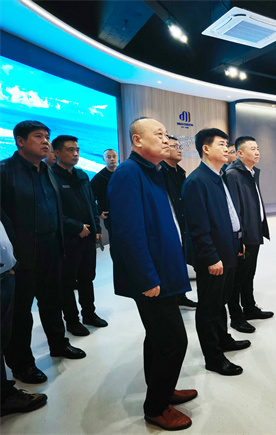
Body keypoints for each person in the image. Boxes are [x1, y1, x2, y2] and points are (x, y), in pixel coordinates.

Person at [108, 118, 196, 431]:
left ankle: (163, 388)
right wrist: (146, 278)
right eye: (158, 134)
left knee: (159, 338)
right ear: (137, 140)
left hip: (165, 270)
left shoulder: (155, 172)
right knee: (173, 341)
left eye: (166, 134)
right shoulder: (128, 173)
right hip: (152, 276)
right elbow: (128, 233)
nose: (165, 139)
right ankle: (156, 408)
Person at [0, 121, 86, 386]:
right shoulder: (5, 172)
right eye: (38, 136)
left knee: (52, 302)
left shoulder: (47, 171)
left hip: (51, 250)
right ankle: (22, 364)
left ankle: (58, 344)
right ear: (20, 141)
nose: (46, 141)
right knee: (21, 313)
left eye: (47, 136)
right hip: (21, 257)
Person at [183, 128, 250, 377]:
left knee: (221, 301)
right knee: (209, 307)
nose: (227, 148)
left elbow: (229, 213)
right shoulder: (196, 181)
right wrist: (211, 257)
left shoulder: (219, 175)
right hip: (213, 256)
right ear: (206, 148)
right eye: (221, 144)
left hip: (229, 249)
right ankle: (213, 357)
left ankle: (223, 339)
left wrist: (239, 240)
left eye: (227, 144)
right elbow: (198, 227)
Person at [50, 135, 108, 337]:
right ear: (57, 153)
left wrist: (97, 229)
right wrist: (76, 226)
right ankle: (72, 321)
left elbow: (92, 204)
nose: (75, 154)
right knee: (67, 282)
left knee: (87, 278)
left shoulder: (82, 175)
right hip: (67, 239)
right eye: (70, 150)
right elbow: (52, 211)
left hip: (88, 237)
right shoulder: (51, 177)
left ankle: (89, 314)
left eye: (77, 150)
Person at [0, 212, 48, 416]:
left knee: (4, 336)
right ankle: (4, 397)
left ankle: (3, 393)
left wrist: (11, 263)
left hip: (6, 273)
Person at [224, 136, 273, 334]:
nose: (257, 151)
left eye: (257, 148)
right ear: (240, 153)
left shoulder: (251, 172)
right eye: (252, 148)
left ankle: (250, 307)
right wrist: (240, 238)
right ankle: (236, 317)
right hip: (243, 236)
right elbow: (234, 210)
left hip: (255, 231)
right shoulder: (233, 174)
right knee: (237, 278)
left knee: (248, 274)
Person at [160, 135, 198, 310]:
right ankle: (173, 298)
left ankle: (181, 296)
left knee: (181, 261)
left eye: (180, 146)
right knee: (171, 263)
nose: (179, 149)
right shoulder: (160, 173)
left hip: (183, 223)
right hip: (170, 225)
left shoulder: (180, 172)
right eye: (174, 146)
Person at [90, 148, 118, 238]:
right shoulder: (99, 178)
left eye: (114, 156)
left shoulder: (122, 173)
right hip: (110, 216)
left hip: (125, 212)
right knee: (115, 239)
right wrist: (99, 211)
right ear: (104, 160)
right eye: (108, 157)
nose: (112, 159)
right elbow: (90, 197)